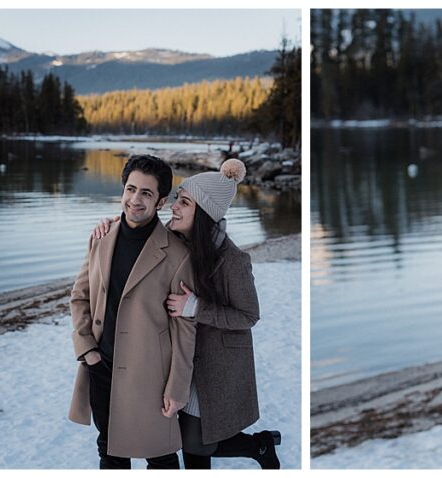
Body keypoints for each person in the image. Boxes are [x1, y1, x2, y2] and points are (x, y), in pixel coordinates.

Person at [94, 159, 282, 469]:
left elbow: (248, 316)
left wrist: (196, 307)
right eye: (176, 200)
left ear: (205, 212)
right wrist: (111, 225)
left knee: (194, 442)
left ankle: (259, 446)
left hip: (211, 363)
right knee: (186, 442)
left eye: (184, 203)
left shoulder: (232, 260)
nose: (174, 208)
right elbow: (138, 230)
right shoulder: (175, 237)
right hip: (174, 356)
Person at [69, 154, 196, 469]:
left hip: (151, 376)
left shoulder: (177, 254)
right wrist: (87, 350)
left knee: (161, 455)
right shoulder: (101, 237)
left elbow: (185, 328)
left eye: (146, 193)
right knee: (110, 453)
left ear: (161, 201)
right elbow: (79, 296)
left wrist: (178, 387)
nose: (135, 200)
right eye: (130, 189)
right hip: (103, 368)